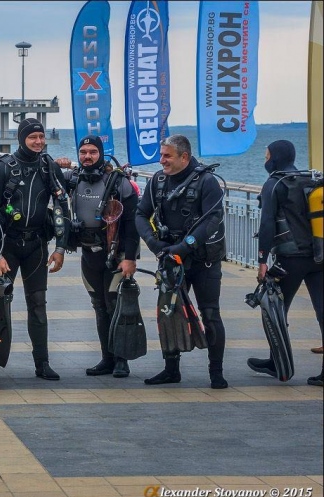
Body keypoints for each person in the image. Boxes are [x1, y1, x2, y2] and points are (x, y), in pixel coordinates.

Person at [134, 134, 229, 389]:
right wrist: (155, 244)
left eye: (167, 156)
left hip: (202, 260)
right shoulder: (158, 181)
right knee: (169, 314)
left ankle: (216, 372)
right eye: (161, 155)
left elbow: (213, 220)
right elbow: (141, 214)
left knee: (210, 314)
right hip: (170, 258)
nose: (161, 160)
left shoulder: (207, 182)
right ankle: (171, 369)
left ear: (184, 157)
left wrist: (183, 247)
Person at [0, 118, 70, 380]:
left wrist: (61, 247)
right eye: (33, 137)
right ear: (22, 139)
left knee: (38, 304)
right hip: (7, 246)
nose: (39, 142)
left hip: (36, 246)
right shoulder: (3, 168)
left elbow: (62, 206)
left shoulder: (48, 166)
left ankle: (42, 362)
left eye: (41, 137)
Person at [57, 136, 140, 378]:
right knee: (99, 307)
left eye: (93, 152)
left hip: (115, 254)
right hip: (88, 253)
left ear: (101, 154)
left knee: (116, 305)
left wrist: (130, 257)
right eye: (83, 152)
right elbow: (45, 175)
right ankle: (107, 358)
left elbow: (132, 224)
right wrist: (57, 163)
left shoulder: (118, 182)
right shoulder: (72, 179)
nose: (87, 156)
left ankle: (122, 360)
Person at [246, 140, 323, 386]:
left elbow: (267, 224)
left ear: (276, 158)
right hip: (319, 255)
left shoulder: (274, 183)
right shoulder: (309, 179)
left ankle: (277, 362)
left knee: (274, 310)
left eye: (267, 156)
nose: (265, 160)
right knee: (323, 313)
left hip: (291, 259)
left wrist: (262, 260)